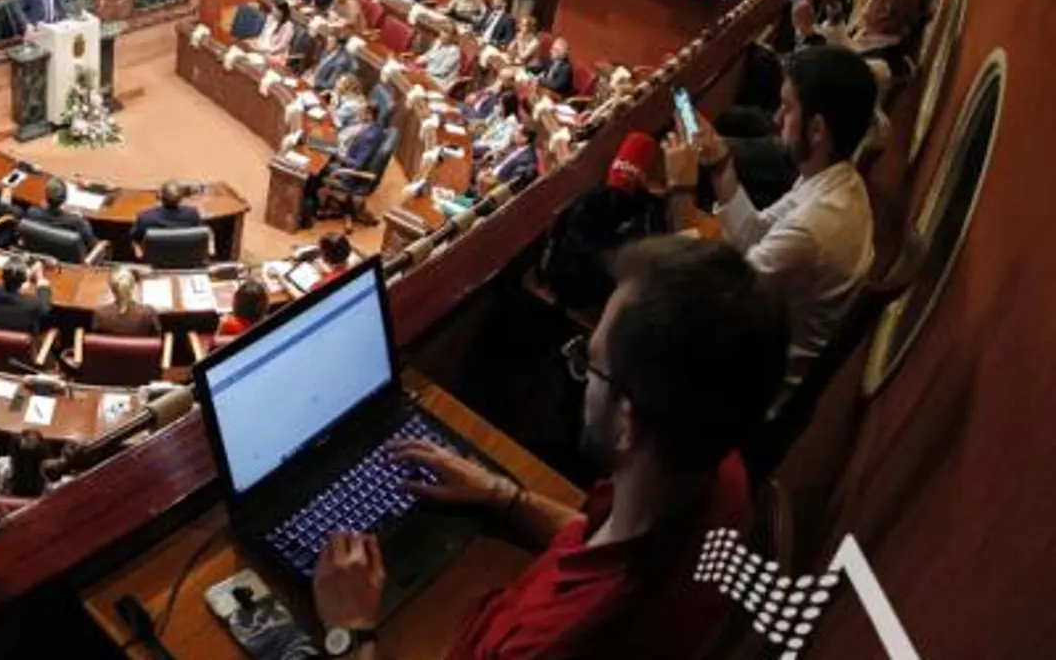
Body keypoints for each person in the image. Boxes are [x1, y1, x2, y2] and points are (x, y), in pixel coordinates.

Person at [312, 236, 788, 660]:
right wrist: (503, 494)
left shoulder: (557, 640)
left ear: (627, 422)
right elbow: (593, 538)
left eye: (590, 360)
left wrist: (350, 631)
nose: (581, 376)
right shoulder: (719, 476)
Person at [664, 44, 876, 394]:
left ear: (817, 129)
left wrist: (680, 191)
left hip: (745, 379)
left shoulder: (815, 227)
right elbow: (755, 234)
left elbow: (697, 296)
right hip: (755, 330)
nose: (777, 119)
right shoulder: (837, 180)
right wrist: (720, 165)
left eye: (788, 108)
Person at [540, 131, 669, 315]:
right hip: (613, 301)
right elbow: (659, 262)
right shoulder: (647, 209)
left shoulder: (586, 202)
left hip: (568, 289)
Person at [23, 177, 96, 251]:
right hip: (69, 260)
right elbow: (91, 245)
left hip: (42, 252)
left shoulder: (32, 213)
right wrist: (78, 217)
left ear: (46, 197)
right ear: (65, 198)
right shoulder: (77, 221)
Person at [0, 260, 51, 333]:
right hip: (19, 343)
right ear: (23, 281)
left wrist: (24, 275)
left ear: (2, 276)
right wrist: (41, 281)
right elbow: (45, 308)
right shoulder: (32, 304)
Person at [94, 267, 160, 336]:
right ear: (132, 286)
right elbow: (156, 341)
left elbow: (96, 342)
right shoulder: (148, 313)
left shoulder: (100, 314)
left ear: (112, 289)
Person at [131, 181, 202, 244]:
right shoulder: (192, 214)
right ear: (181, 198)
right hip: (186, 257)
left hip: (156, 258)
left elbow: (135, 237)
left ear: (159, 196)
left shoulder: (145, 218)